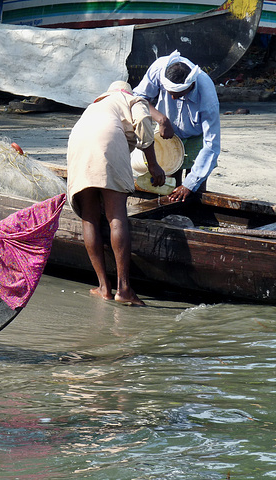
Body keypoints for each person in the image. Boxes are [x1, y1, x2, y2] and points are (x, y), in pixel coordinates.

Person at [67, 81, 165, 306]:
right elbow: (142, 120)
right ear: (127, 91)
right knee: (116, 216)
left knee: (89, 217)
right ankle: (124, 289)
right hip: (107, 140)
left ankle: (103, 287)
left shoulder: (96, 104)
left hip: (77, 142)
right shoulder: (132, 99)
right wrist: (153, 165)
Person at [133, 50, 221, 203]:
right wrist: (162, 119)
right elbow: (138, 98)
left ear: (191, 85)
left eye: (178, 94)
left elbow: (211, 145)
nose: (173, 97)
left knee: (195, 189)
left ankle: (194, 216)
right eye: (170, 93)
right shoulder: (159, 68)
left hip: (196, 135)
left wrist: (189, 184)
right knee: (168, 181)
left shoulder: (207, 96)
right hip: (166, 131)